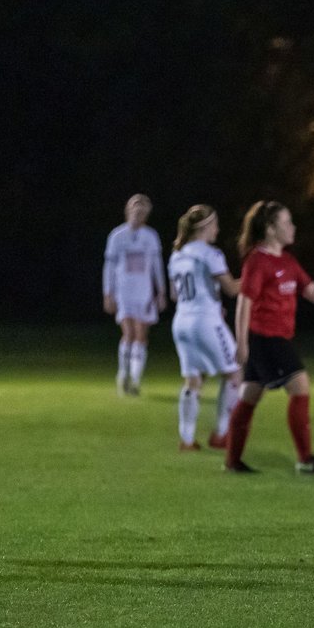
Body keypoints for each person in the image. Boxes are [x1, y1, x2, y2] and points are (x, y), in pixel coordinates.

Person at [224, 200, 314, 474]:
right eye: (287, 222)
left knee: (249, 395)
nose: (293, 228)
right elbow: (244, 302)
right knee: (300, 385)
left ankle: (233, 461)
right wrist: (242, 343)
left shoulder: (287, 260)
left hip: (276, 337)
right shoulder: (258, 260)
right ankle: (305, 460)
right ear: (270, 229)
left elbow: (312, 290)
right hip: (266, 337)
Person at [167, 205, 242, 451]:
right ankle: (221, 434)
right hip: (205, 320)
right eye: (215, 224)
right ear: (205, 227)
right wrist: (256, 278)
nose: (217, 229)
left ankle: (187, 439)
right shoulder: (211, 254)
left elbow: (175, 295)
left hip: (181, 322)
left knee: (192, 380)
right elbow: (232, 288)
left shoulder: (176, 255)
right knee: (234, 373)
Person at [103, 193, 167, 395]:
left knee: (141, 335)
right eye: (135, 209)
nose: (138, 213)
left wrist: (161, 291)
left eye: (142, 210)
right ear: (128, 211)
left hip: (144, 292)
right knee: (128, 333)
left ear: (146, 214)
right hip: (124, 292)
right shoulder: (117, 236)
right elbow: (109, 267)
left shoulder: (151, 236)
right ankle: (123, 374)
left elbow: (157, 265)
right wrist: (108, 293)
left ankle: (135, 378)